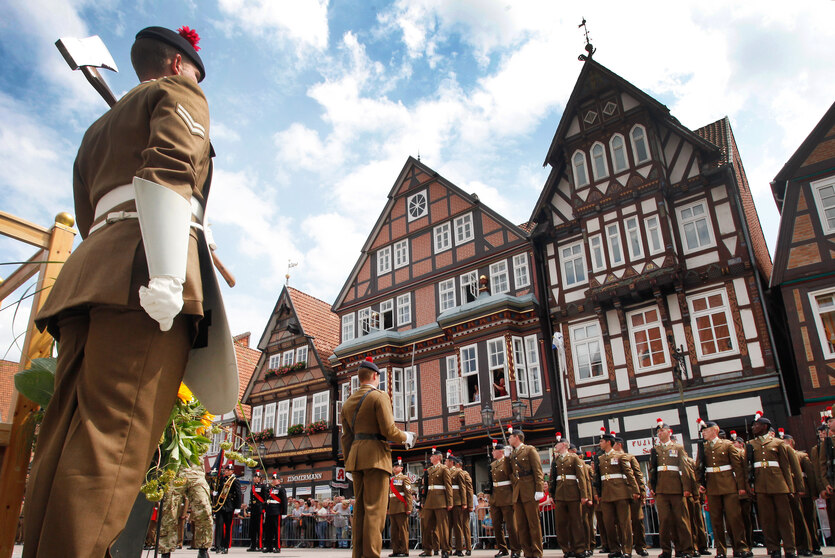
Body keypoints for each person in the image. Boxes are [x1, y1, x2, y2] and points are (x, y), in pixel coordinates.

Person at [22, 24, 238, 558]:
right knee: (112, 443)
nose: (197, 79)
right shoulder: (180, 94)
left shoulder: (97, 130)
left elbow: (91, 210)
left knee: (65, 434)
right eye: (195, 69)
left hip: (90, 274)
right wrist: (166, 273)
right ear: (175, 66)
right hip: (145, 276)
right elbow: (171, 167)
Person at [340, 357, 416, 558]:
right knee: (375, 511)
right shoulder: (379, 396)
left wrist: (349, 464)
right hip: (376, 457)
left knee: (361, 513)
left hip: (356, 459)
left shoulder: (347, 403)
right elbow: (389, 430)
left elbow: (346, 438)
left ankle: (359, 555)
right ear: (375, 376)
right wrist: (406, 436)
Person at [694, 418, 750, 558]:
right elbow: (698, 466)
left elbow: (738, 467)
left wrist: (741, 486)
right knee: (716, 521)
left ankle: (740, 547)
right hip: (712, 487)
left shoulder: (727, 445)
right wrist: (700, 483)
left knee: (734, 518)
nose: (704, 433)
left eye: (706, 430)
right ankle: (721, 550)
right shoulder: (703, 447)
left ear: (715, 430)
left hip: (729, 485)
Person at [746, 413, 798, 558]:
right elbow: (747, 468)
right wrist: (750, 486)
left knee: (785, 519)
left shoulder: (778, 443)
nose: (754, 427)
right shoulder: (751, 445)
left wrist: (790, 487)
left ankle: (790, 548)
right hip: (761, 486)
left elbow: (785, 466)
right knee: (767, 520)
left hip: (779, 485)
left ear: (764, 427)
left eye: (756, 425)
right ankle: (773, 548)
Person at [649, 419, 694, 558]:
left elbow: (685, 469)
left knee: (681, 520)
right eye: (658, 432)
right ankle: (666, 550)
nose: (660, 433)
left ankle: (686, 549)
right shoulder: (655, 450)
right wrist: (652, 486)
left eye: (662, 431)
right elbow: (652, 470)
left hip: (676, 488)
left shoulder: (677, 448)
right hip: (661, 489)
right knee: (664, 522)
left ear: (669, 432)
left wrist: (686, 487)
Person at [596, 430, 639, 558]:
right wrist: (598, 493)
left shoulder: (620, 456)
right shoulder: (600, 458)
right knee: (608, 523)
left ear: (608, 442)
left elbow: (629, 474)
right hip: (606, 494)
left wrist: (635, 490)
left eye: (602, 441)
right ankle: (615, 549)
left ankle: (627, 550)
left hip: (621, 493)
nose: (600, 444)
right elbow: (597, 478)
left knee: (624, 523)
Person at [159, 463, 213, 558]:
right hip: (174, 471)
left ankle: (203, 548)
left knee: (204, 508)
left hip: (196, 472)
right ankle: (165, 551)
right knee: (169, 511)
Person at [549, 433, 590, 558]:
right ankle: (566, 549)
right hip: (560, 494)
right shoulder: (556, 460)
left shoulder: (574, 458)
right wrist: (552, 494)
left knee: (576, 522)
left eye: (557, 444)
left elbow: (581, 478)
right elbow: (552, 478)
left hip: (573, 494)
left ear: (563, 445)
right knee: (561, 524)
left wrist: (584, 495)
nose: (555, 446)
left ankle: (579, 548)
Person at [508, 425, 544, 558]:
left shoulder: (529, 450)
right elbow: (508, 472)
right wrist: (507, 457)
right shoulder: (512, 454)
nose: (508, 439)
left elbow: (538, 470)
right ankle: (527, 552)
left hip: (529, 490)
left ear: (517, 437)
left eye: (510, 437)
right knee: (521, 525)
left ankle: (537, 552)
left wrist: (539, 489)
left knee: (533, 524)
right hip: (518, 491)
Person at [613, 436, 648, 556]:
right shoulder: (609, 458)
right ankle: (625, 549)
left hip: (632, 493)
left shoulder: (629, 457)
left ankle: (641, 546)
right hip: (619, 494)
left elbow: (638, 474)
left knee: (637, 520)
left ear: (619, 445)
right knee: (621, 523)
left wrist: (641, 492)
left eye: (614, 444)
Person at [488, 440, 520, 558]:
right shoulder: (492, 465)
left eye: (494, 450)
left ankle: (516, 549)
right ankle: (502, 548)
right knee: (496, 524)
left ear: (500, 451)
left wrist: (514, 496)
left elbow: (514, 480)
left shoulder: (508, 462)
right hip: (495, 497)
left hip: (507, 496)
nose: (492, 452)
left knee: (511, 525)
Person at [422, 447, 454, 558]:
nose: (430, 458)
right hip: (430, 500)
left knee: (443, 526)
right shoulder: (429, 470)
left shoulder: (444, 469)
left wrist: (450, 502)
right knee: (427, 526)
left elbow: (448, 486)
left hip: (441, 500)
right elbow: (425, 488)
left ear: (437, 457)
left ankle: (445, 549)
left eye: (432, 456)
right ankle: (427, 549)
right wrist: (423, 500)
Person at [213, 463, 242, 554]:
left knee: (228, 527)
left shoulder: (234, 481)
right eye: (226, 470)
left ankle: (225, 546)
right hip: (220, 505)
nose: (226, 471)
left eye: (228, 470)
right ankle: (218, 545)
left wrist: (238, 507)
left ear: (232, 471)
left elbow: (238, 494)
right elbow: (219, 489)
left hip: (229, 505)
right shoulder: (221, 479)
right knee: (219, 526)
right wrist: (216, 492)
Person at [388, 457, 414, 557]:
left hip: (401, 507)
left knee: (403, 530)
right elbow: (388, 495)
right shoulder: (391, 479)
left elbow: (408, 494)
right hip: (393, 507)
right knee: (394, 532)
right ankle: (396, 550)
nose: (394, 468)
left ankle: (404, 551)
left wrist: (409, 508)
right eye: (394, 467)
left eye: (396, 466)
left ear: (401, 468)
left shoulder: (404, 478)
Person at [248, 471, 267, 552]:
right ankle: (253, 545)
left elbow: (265, 499)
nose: (255, 478)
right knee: (252, 528)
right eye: (254, 477)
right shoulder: (252, 487)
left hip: (259, 509)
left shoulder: (263, 487)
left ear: (260, 479)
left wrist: (263, 509)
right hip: (253, 509)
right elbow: (251, 499)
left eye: (257, 477)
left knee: (259, 528)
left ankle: (259, 545)